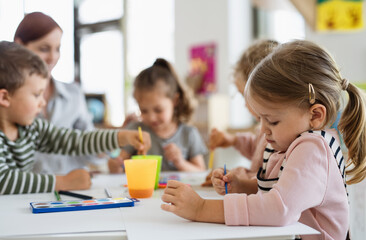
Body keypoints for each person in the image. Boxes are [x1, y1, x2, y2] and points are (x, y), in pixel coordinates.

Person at [161, 40, 366, 240]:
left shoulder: (314, 149)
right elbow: (281, 190)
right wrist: (242, 185)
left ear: (315, 116)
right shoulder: (291, 142)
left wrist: (201, 208)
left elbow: (279, 209)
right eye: (260, 120)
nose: (263, 131)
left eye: (272, 121)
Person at [0, 41, 151, 195]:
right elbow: (3, 180)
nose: (42, 102)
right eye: (37, 95)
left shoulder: (32, 128)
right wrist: (63, 182)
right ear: (5, 97)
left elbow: (76, 141)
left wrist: (121, 137)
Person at [13, 12, 105, 174]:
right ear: (19, 45)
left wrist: (113, 143)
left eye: (58, 49)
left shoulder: (74, 94)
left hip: (72, 191)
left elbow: (85, 145)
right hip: (26, 193)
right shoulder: (8, 101)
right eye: (44, 49)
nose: (53, 57)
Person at [202, 39, 279, 186]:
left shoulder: (280, 134)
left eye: (245, 96)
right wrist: (232, 140)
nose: (244, 104)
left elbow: (264, 180)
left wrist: (232, 176)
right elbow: (256, 147)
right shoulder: (266, 130)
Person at [108, 58, 207, 173]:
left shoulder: (189, 134)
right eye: (144, 111)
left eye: (158, 110)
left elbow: (201, 171)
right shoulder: (135, 131)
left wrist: (181, 162)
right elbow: (119, 165)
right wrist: (114, 166)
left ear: (175, 100)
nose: (151, 117)